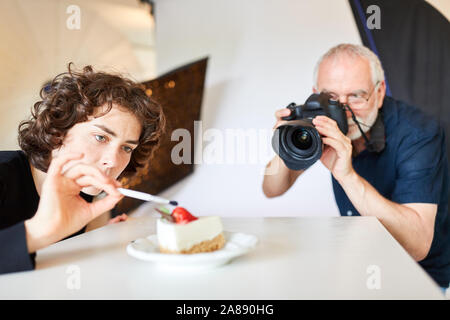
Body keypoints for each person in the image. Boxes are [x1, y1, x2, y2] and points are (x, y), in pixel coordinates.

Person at [263, 44, 449, 294]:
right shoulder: (319, 121)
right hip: (366, 264)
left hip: (426, 276)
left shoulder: (419, 134)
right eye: (331, 97)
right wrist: (286, 141)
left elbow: (418, 245)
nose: (343, 110)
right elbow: (272, 189)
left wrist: (347, 175)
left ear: (379, 92)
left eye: (356, 96)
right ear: (315, 93)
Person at [0, 64, 165, 274]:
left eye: (126, 147)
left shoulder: (91, 197)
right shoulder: (4, 175)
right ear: (58, 130)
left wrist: (106, 234)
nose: (113, 161)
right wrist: (39, 232)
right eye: (100, 137)